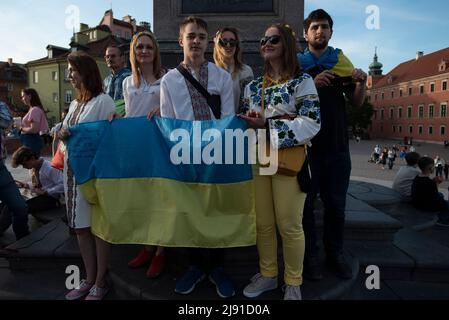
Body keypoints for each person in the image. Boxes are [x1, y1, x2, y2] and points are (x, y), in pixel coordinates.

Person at [239, 23, 320, 300]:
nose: (266, 43)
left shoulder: (303, 82)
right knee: (263, 223)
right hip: (259, 158)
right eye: (263, 39)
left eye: (273, 39)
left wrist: (267, 126)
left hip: (289, 161)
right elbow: (245, 122)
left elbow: (311, 123)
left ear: (286, 44)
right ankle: (269, 275)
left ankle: (293, 281)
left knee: (289, 225)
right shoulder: (251, 87)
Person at [159, 16, 235, 298]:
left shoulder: (221, 77)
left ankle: (217, 267)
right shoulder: (169, 80)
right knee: (190, 212)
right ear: (181, 40)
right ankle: (194, 266)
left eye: (202, 36)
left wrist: (216, 151)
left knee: (216, 211)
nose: (197, 41)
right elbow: (168, 122)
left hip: (217, 155)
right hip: (185, 155)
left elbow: (227, 118)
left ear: (208, 42)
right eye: (191, 36)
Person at [298, 9, 367, 280]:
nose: (320, 31)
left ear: (331, 32)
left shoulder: (340, 61)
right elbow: (286, 99)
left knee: (336, 207)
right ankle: (310, 257)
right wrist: (311, 84)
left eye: (324, 27)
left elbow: (358, 101)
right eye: (315, 27)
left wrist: (362, 83)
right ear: (306, 33)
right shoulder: (297, 64)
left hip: (338, 148)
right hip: (307, 149)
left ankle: (334, 254)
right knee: (305, 208)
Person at [59, 51, 116, 300]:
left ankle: (101, 281)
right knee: (81, 229)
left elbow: (109, 138)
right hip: (72, 174)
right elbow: (65, 134)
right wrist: (61, 133)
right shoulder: (74, 103)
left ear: (86, 71)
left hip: (94, 174)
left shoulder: (103, 101)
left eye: (72, 70)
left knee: (98, 228)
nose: (69, 75)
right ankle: (89, 277)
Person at [120, 31, 167, 278]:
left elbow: (175, 111)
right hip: (138, 146)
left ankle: (160, 251)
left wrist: (162, 109)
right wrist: (116, 120)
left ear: (155, 51)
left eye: (149, 47)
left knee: (160, 200)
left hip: (159, 146)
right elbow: (130, 114)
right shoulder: (127, 82)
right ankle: (147, 246)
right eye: (140, 48)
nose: (145, 51)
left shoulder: (167, 78)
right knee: (144, 201)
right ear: (133, 52)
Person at [0, 100, 29, 240]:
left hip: (0, 169)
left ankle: (23, 244)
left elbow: (6, 121)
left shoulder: (1, 106)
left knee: (20, 207)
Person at [10, 146, 63, 213]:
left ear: (32, 158)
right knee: (11, 201)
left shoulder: (50, 168)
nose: (24, 167)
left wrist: (47, 192)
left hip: (51, 199)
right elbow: (39, 186)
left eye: (24, 164)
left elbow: (63, 185)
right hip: (39, 196)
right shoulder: (33, 168)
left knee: (20, 207)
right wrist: (26, 185)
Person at [213, 27, 254, 111]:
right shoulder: (210, 72)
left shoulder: (246, 71)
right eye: (224, 41)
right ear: (217, 44)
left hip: (239, 121)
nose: (228, 45)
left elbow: (248, 103)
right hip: (217, 122)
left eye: (232, 42)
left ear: (237, 45)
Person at [411, 157, 449, 227]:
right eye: (433, 166)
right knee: (446, 203)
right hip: (425, 206)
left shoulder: (417, 177)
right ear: (430, 168)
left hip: (416, 202)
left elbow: (426, 188)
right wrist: (436, 183)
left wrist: (433, 182)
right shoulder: (430, 183)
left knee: (441, 195)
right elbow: (435, 197)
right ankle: (442, 220)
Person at [19, 88, 49, 156]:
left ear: (29, 96)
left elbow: (34, 129)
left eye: (23, 96)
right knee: (32, 163)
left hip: (32, 141)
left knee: (31, 162)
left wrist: (21, 128)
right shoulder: (33, 109)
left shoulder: (35, 110)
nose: (22, 99)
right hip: (31, 141)